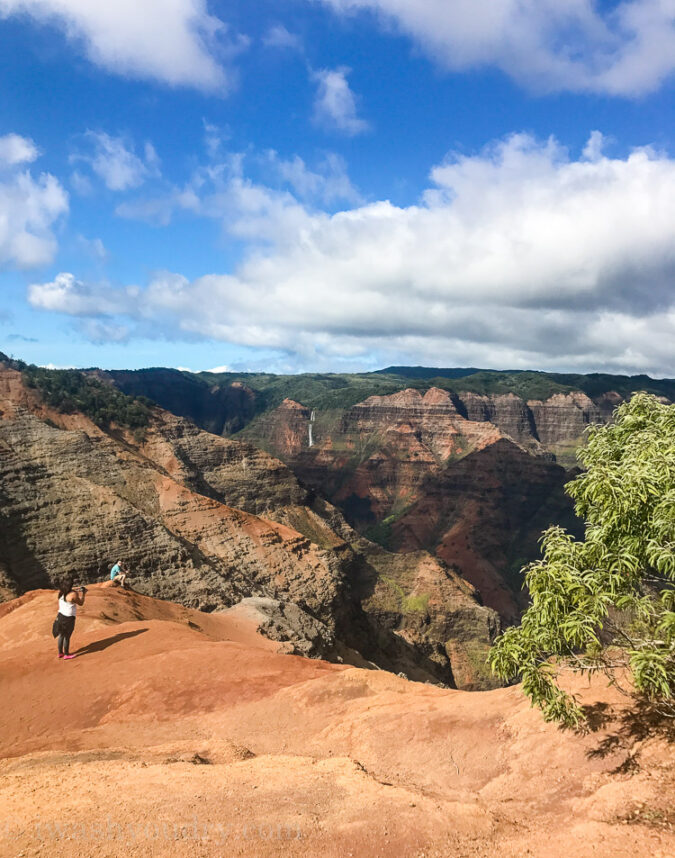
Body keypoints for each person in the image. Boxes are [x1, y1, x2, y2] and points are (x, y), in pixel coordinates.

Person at [56, 577, 86, 660]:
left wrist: (76, 589)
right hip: (68, 618)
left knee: (61, 635)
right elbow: (81, 603)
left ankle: (60, 653)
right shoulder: (73, 594)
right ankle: (66, 654)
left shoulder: (61, 592)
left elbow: (69, 590)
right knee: (67, 637)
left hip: (60, 616)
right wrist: (83, 593)